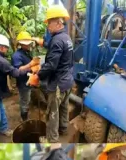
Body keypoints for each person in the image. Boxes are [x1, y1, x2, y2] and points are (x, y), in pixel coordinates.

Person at [0, 34, 36, 143]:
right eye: (6, 47)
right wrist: (30, 65)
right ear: (1, 47)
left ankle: (3, 129)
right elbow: (16, 73)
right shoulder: (1, 60)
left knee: (1, 111)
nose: (7, 50)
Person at [31, 4, 74, 142]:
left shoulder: (56, 40)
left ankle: (52, 140)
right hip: (67, 81)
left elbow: (51, 65)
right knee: (64, 108)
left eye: (49, 23)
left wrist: (37, 75)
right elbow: (57, 50)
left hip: (57, 84)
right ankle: (64, 129)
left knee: (52, 113)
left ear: (58, 23)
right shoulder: (66, 38)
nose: (48, 26)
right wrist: (42, 42)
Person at [12, 32, 36, 122]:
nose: (29, 45)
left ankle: (25, 114)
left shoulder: (26, 53)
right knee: (24, 100)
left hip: (29, 80)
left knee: (27, 99)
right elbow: (18, 70)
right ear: (21, 44)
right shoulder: (16, 56)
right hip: (23, 83)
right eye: (27, 44)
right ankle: (24, 118)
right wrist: (30, 65)